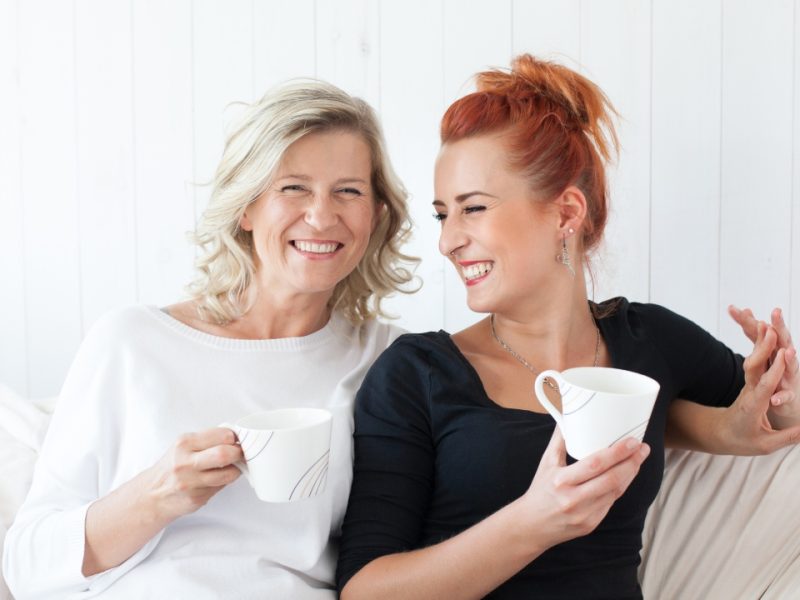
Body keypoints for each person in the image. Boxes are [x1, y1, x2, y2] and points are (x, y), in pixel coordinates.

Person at [336, 54, 800, 599]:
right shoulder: (418, 374)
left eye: (474, 208)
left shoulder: (649, 342)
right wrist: (532, 525)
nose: (448, 240)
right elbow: (364, 591)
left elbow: (768, 415)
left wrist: (780, 397)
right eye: (444, 214)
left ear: (565, 213)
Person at [3, 80, 416, 599]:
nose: (321, 215)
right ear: (246, 208)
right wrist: (156, 495)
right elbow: (25, 565)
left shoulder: (389, 361)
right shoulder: (132, 343)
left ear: (376, 214)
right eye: (293, 187)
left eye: (349, 191)